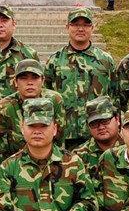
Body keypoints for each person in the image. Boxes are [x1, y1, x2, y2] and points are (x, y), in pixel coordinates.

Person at [44, 9, 116, 150]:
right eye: (75, 24)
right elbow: (46, 95)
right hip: (64, 134)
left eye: (85, 25)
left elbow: (115, 95)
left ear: (92, 28)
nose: (80, 29)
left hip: (97, 133)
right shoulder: (55, 61)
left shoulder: (105, 60)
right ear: (67, 27)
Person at [0, 59, 67, 162]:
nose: (30, 83)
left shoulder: (55, 100)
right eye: (23, 78)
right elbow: (1, 148)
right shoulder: (4, 108)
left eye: (35, 78)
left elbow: (60, 139)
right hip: (16, 164)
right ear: (15, 82)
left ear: (43, 80)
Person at [71, 96, 125, 175]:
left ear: (117, 119)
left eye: (105, 121)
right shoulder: (78, 156)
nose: (101, 127)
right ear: (88, 126)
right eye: (94, 123)